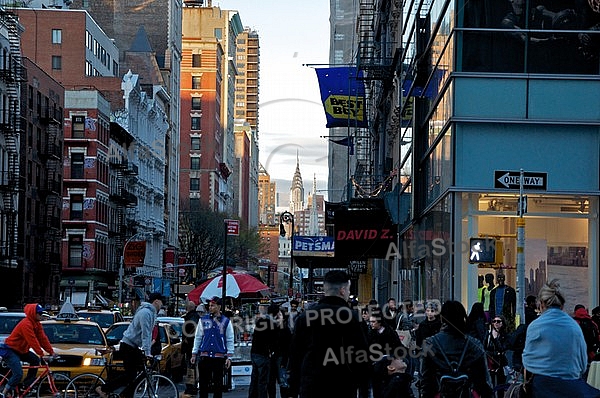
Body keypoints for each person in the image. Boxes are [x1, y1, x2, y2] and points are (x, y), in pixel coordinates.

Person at [288, 270, 369, 398]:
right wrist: (363, 388)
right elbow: (362, 355)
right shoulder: (353, 318)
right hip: (343, 385)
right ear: (342, 290)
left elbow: (295, 355)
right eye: (348, 290)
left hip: (311, 385)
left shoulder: (305, 317)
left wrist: (294, 388)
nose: (348, 293)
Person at [522, 279, 600, 397]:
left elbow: (527, 362)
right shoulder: (574, 327)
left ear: (541, 304)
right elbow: (582, 364)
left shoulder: (535, 326)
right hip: (571, 386)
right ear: (562, 305)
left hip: (541, 387)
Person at [96, 292, 165, 398]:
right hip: (128, 346)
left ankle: (126, 394)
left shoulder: (150, 313)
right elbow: (146, 334)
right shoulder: (146, 313)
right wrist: (147, 353)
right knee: (130, 374)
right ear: (156, 301)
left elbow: (147, 334)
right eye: (161, 303)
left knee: (140, 373)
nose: (162, 305)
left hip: (132, 346)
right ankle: (104, 389)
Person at [420, 300, 493, 398]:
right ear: (463, 317)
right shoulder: (474, 344)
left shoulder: (430, 343)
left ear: (442, 319)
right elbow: (484, 381)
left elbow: (425, 379)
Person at [0, 303, 57, 398]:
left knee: (35, 360)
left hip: (21, 350)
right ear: (33, 314)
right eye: (39, 313)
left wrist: (51, 352)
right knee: (18, 373)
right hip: (11, 349)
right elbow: (32, 340)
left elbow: (42, 338)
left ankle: (26, 385)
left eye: (41, 313)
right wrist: (41, 354)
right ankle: (4, 393)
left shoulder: (37, 324)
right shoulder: (26, 324)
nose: (41, 315)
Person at [191, 296, 234, 398]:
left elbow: (229, 339)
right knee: (203, 385)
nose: (210, 307)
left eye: (213, 305)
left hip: (218, 357)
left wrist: (229, 357)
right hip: (205, 356)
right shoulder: (203, 320)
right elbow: (198, 337)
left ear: (219, 307)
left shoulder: (226, 321)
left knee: (218, 386)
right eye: (209, 306)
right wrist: (194, 353)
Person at [249, 304, 277, 398]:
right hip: (263, 353)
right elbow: (273, 340)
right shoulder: (272, 324)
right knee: (263, 380)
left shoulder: (260, 321)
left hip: (255, 352)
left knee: (255, 378)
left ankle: (252, 396)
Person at [484, 315, 509, 396]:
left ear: (502, 323)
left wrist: (495, 339)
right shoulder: (488, 335)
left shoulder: (505, 336)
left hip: (501, 364)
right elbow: (484, 349)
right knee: (490, 386)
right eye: (494, 321)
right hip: (490, 363)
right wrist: (495, 353)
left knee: (500, 387)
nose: (496, 323)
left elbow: (502, 349)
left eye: (498, 321)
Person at [182, 300, 201, 396]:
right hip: (192, 346)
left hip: (190, 346)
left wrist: (187, 337)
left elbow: (193, 326)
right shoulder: (195, 316)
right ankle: (192, 386)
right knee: (192, 367)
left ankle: (191, 387)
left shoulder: (191, 317)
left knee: (191, 367)